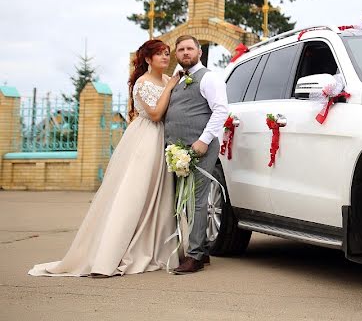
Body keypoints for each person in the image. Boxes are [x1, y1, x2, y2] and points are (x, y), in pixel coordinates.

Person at [29, 39, 180, 277]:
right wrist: (171, 87)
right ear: (148, 59)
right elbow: (154, 113)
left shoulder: (167, 79)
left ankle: (154, 245)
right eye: (160, 54)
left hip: (163, 139)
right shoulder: (143, 82)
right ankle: (111, 251)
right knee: (134, 192)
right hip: (145, 141)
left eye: (167, 53)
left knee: (158, 195)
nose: (165, 57)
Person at [165, 34, 228, 275]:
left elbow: (221, 110)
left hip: (199, 147)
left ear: (199, 52)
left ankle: (195, 256)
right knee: (185, 201)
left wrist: (203, 140)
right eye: (180, 49)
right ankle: (199, 249)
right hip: (178, 151)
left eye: (190, 48)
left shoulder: (209, 78)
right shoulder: (179, 80)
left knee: (197, 200)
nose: (185, 53)